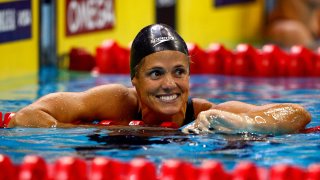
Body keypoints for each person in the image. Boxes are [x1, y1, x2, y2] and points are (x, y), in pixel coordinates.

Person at [8, 24, 311, 135]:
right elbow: (25, 118)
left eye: (179, 72)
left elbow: (298, 115)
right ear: (134, 80)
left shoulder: (206, 114)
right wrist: (88, 130)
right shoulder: (115, 101)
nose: (170, 84)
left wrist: (244, 124)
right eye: (156, 73)